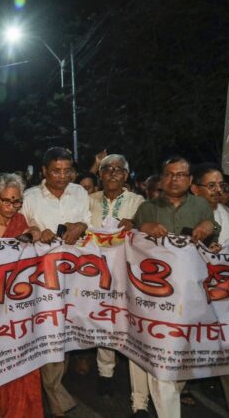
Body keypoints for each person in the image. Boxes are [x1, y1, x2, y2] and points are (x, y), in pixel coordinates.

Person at [130, 156, 217, 418]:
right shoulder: (146, 208)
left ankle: (163, 394)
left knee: (183, 352)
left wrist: (208, 225)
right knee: (154, 351)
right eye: (169, 174)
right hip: (155, 295)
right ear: (162, 178)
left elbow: (212, 230)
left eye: (180, 175)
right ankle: (142, 403)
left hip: (190, 296)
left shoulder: (202, 205)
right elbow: (130, 240)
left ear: (190, 181)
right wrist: (143, 228)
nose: (174, 179)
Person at [20, 147, 90, 418]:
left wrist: (81, 227)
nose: (62, 176)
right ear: (44, 172)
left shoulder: (80, 193)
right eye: (56, 171)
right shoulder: (30, 197)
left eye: (67, 170)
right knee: (50, 331)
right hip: (41, 279)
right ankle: (56, 399)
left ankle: (53, 385)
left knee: (65, 333)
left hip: (76, 277)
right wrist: (37, 232)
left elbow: (90, 222)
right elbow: (20, 230)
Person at [0, 173, 42, 418]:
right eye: (6, 201)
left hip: (20, 306)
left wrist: (35, 234)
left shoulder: (22, 223)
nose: (12, 207)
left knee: (24, 365)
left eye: (17, 202)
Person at [190, 163, 229, 418]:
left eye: (221, 186)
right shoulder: (186, 214)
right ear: (195, 189)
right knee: (182, 356)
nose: (217, 190)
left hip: (225, 304)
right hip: (194, 302)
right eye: (210, 185)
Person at [88, 155, 144, 396]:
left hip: (127, 272)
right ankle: (105, 373)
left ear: (126, 176)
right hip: (95, 273)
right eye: (107, 169)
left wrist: (135, 225)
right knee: (103, 319)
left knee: (129, 321)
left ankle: (138, 388)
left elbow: (145, 232)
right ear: (100, 175)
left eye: (119, 170)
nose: (113, 173)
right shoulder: (88, 200)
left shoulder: (138, 201)